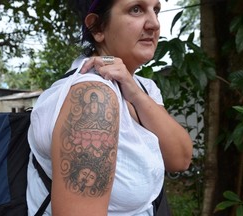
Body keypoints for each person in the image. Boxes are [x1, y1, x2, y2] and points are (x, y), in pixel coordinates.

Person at [26, 0, 193, 215]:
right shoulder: (93, 97)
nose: (154, 23)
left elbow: (180, 160)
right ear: (97, 28)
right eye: (136, 9)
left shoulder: (144, 87)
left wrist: (135, 93)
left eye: (156, 10)